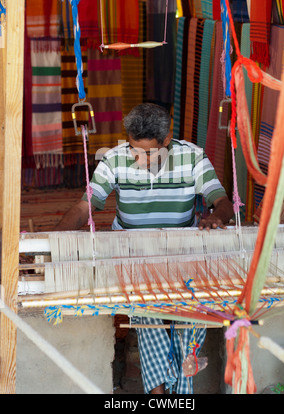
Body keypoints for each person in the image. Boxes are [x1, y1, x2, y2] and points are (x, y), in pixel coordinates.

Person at [55, 102, 234, 394]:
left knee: (192, 304)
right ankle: (163, 393)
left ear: (167, 139)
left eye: (149, 152)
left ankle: (176, 387)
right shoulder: (113, 160)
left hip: (181, 251)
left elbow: (223, 202)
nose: (139, 159)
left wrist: (216, 216)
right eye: (134, 150)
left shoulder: (192, 157)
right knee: (145, 310)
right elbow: (82, 206)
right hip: (132, 253)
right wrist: (56, 242)